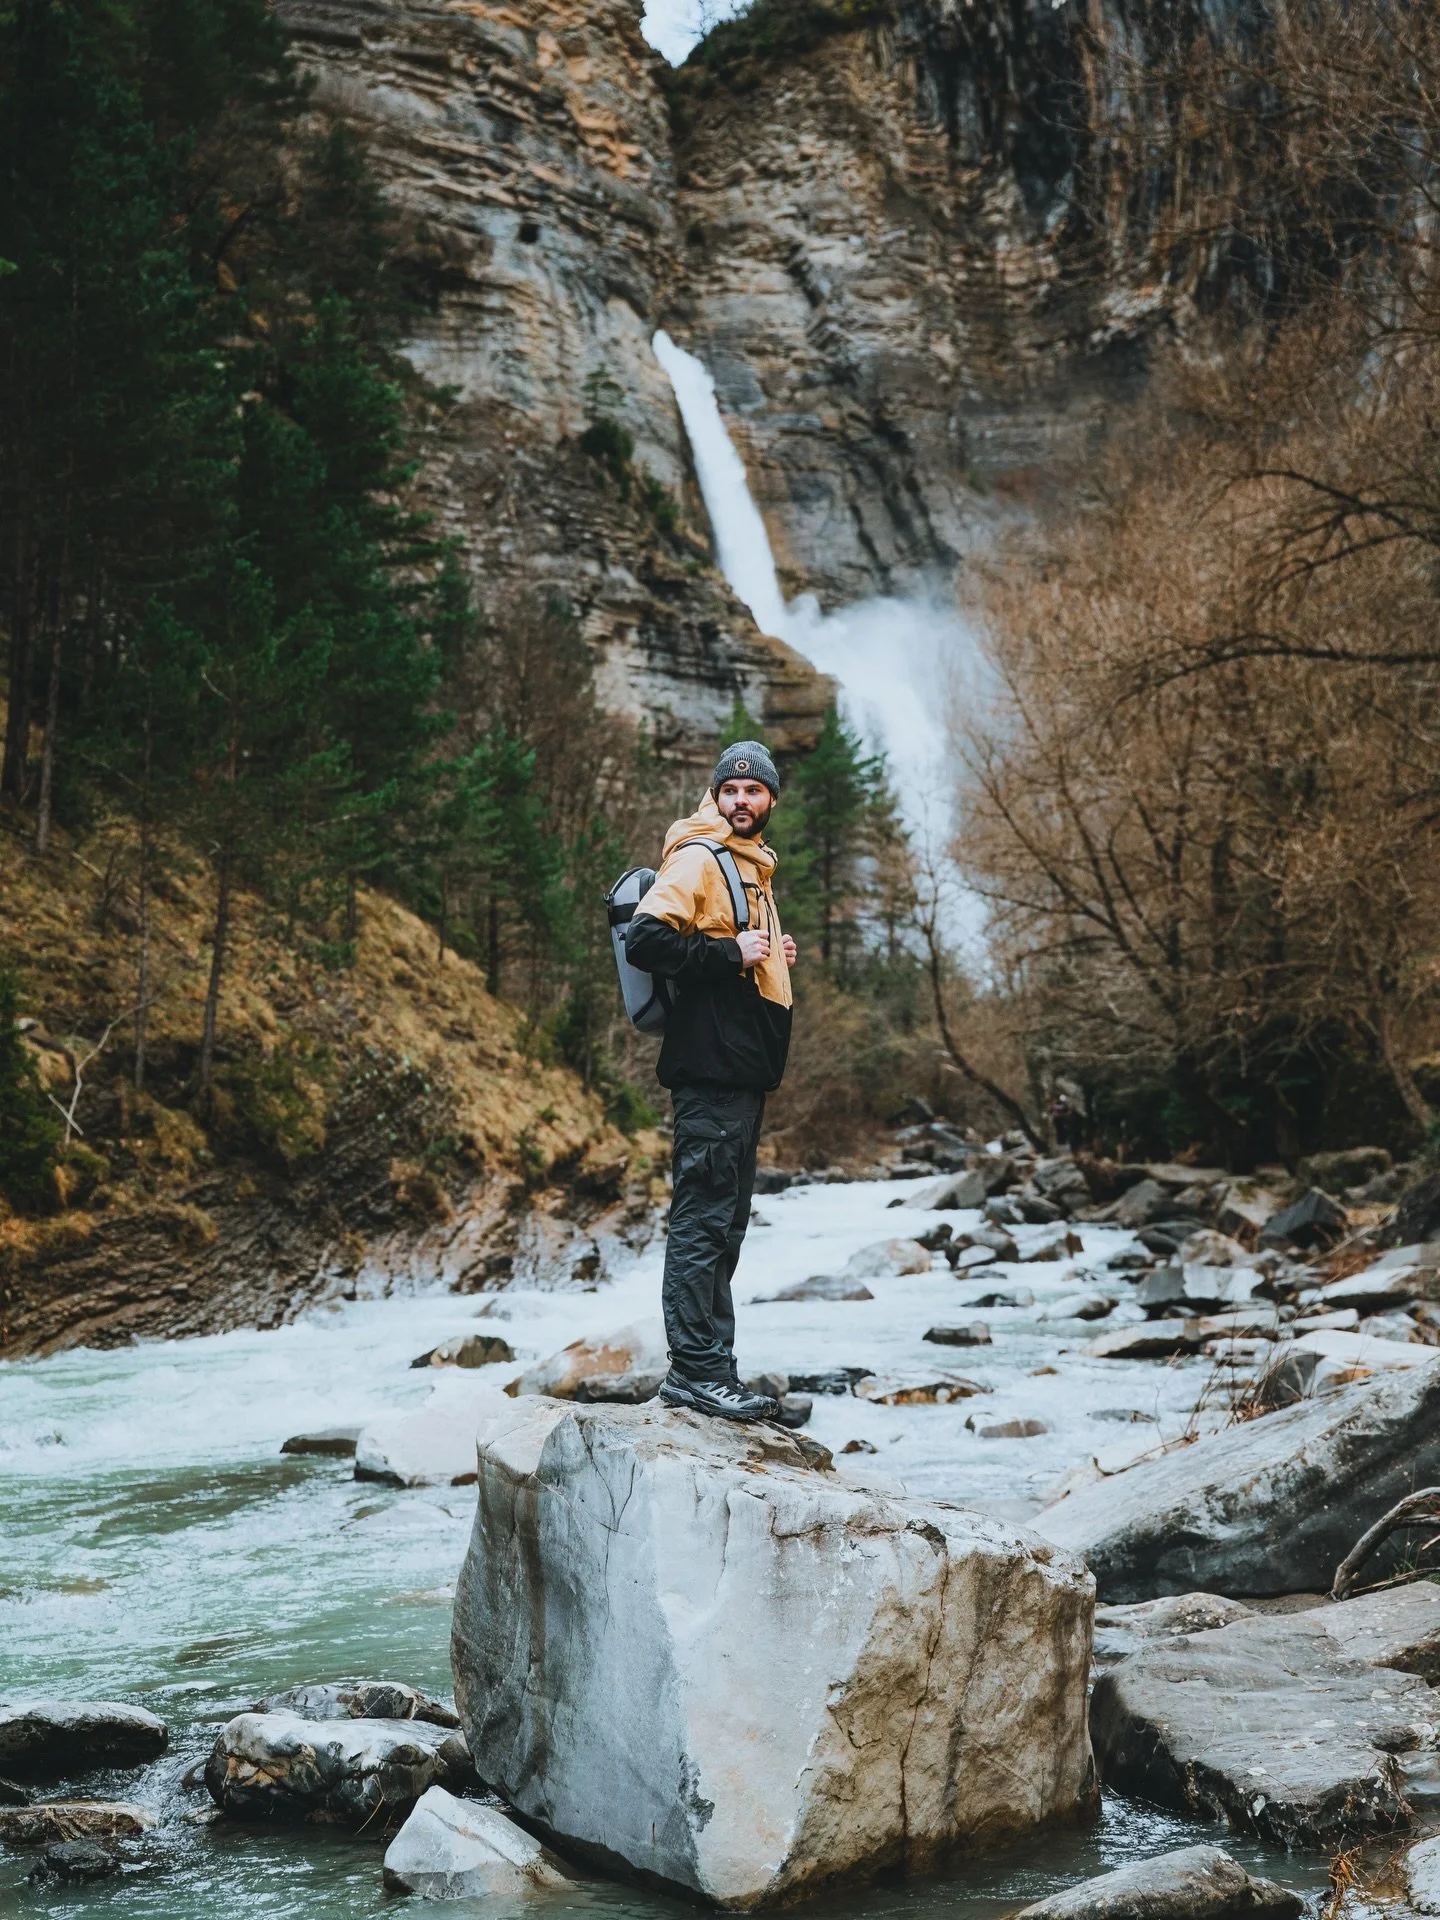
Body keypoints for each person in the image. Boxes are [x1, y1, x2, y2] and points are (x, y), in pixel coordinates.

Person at [625, 740, 797, 1421]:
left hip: (740, 1073)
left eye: (753, 793)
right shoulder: (700, 855)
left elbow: (732, 947)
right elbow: (646, 939)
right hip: (711, 1072)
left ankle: (718, 1369)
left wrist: (766, 952)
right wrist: (732, 952)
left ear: (770, 801)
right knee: (702, 1222)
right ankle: (694, 1375)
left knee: (726, 1225)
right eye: (731, 791)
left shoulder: (753, 870)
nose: (741, 801)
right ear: (716, 796)